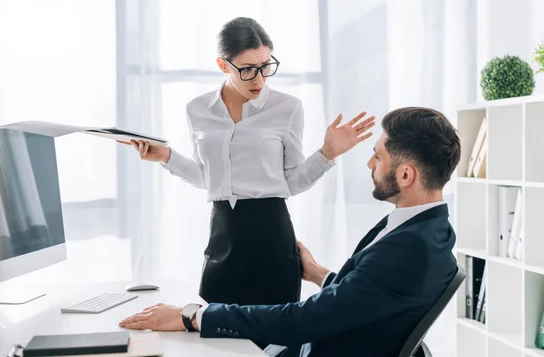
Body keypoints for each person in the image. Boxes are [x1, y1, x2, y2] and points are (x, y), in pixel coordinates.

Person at [119, 106, 462, 357]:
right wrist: (318, 273)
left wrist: (192, 315)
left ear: (406, 176)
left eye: (378, 157)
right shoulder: (432, 228)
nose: (370, 164)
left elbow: (304, 320)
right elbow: (370, 296)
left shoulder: (408, 250)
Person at [120, 17, 375, 310]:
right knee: (212, 331)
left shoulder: (288, 108)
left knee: (273, 338)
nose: (259, 79)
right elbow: (209, 179)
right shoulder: (197, 109)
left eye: (266, 66)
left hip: (271, 232)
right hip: (222, 233)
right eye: (247, 69)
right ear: (223, 65)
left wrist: (327, 153)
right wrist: (165, 156)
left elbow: (291, 182)